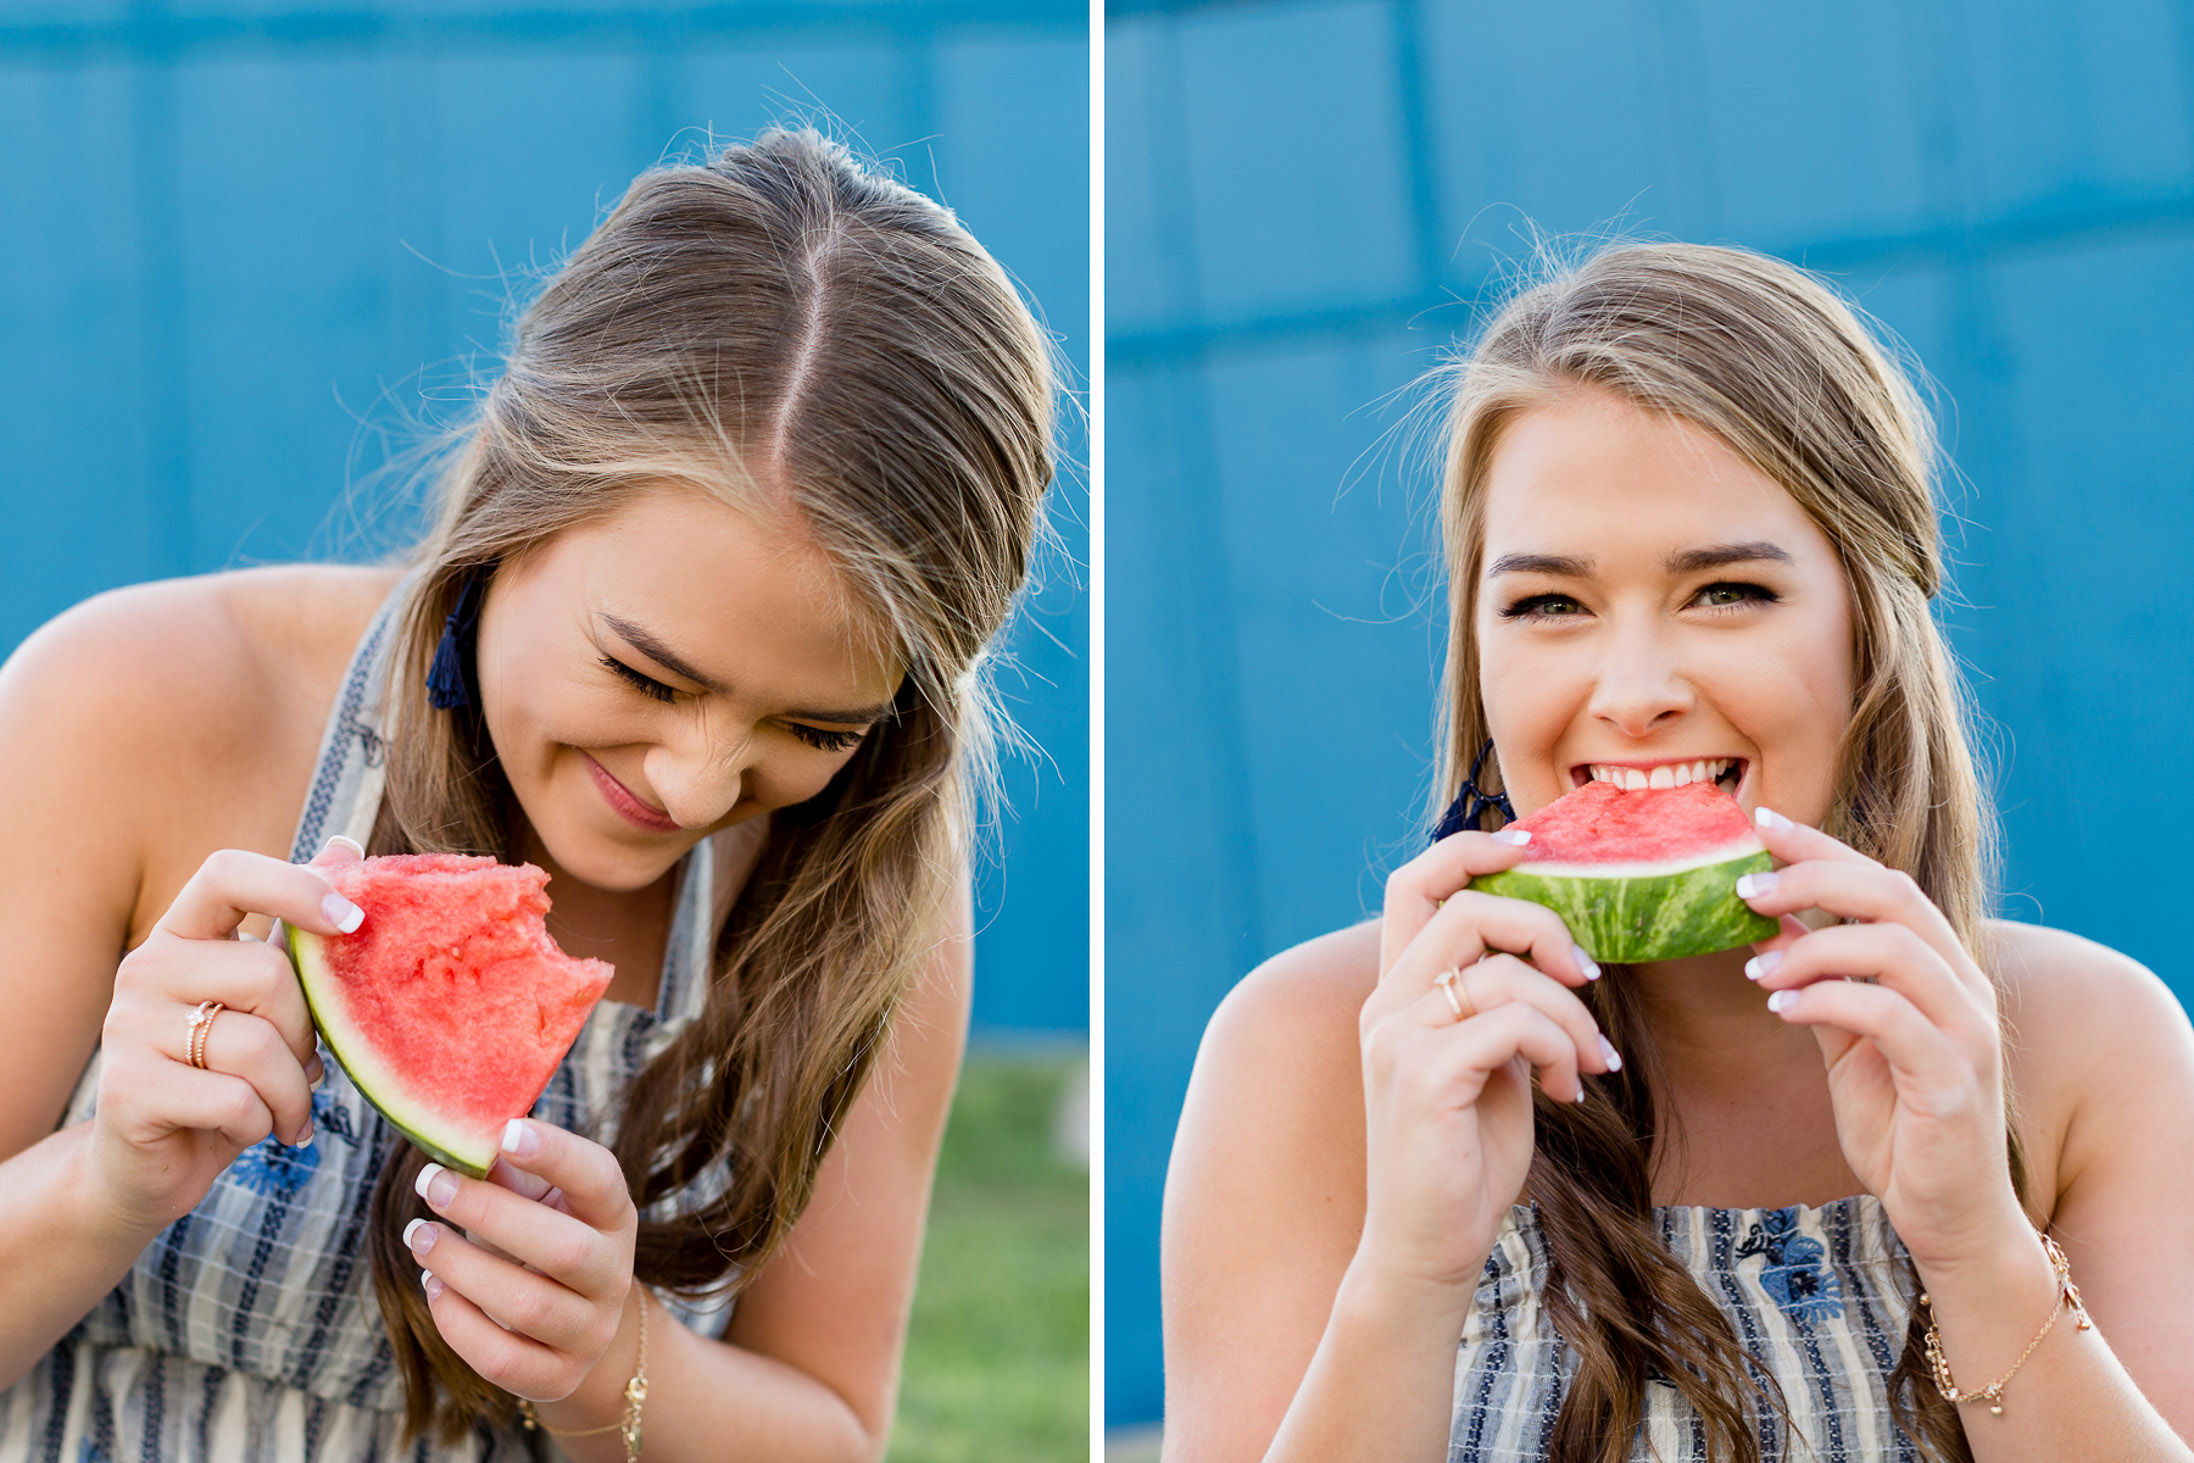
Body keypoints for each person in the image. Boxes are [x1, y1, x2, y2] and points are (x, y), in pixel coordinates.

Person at [0, 128, 1056, 1461]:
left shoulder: (861, 878)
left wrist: (622, 1367)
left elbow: (832, 1428)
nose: (696, 784)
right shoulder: (135, 702)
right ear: (519, 496)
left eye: (811, 725)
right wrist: (101, 1187)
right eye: (647, 674)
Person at [1162, 243, 2194, 1463]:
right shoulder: (1309, 1054)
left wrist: (1974, 1239)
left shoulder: (2085, 1047)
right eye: (1550, 604)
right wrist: (1413, 1264)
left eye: (1726, 591)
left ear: (1871, 621)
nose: (1635, 690)